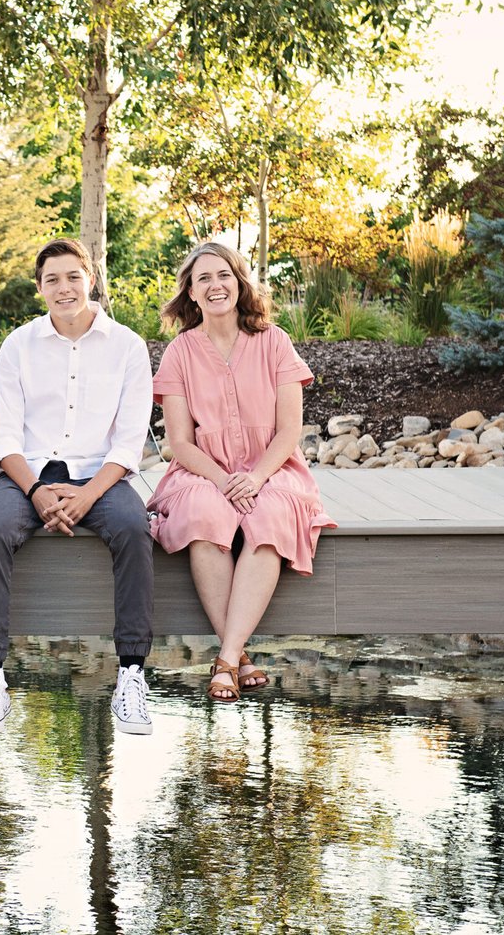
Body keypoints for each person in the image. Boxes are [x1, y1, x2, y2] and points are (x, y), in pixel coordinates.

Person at [0, 238, 156, 736]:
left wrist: (90, 494)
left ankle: (132, 674)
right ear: (40, 288)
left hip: (101, 475)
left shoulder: (128, 347)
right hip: (29, 474)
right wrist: (36, 493)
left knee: (135, 527)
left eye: (73, 276)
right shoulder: (18, 345)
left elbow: (129, 439)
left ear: (90, 279)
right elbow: (4, 435)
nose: (64, 287)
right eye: (52, 279)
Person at [146, 242, 335, 702]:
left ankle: (228, 657)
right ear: (190, 292)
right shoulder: (179, 353)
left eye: (224, 275)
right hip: (203, 470)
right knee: (204, 515)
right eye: (203, 278)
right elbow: (180, 444)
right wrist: (223, 479)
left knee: (270, 517)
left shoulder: (275, 341)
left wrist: (253, 478)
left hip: (272, 468)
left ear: (239, 282)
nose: (216, 286)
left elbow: (290, 429)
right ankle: (238, 658)